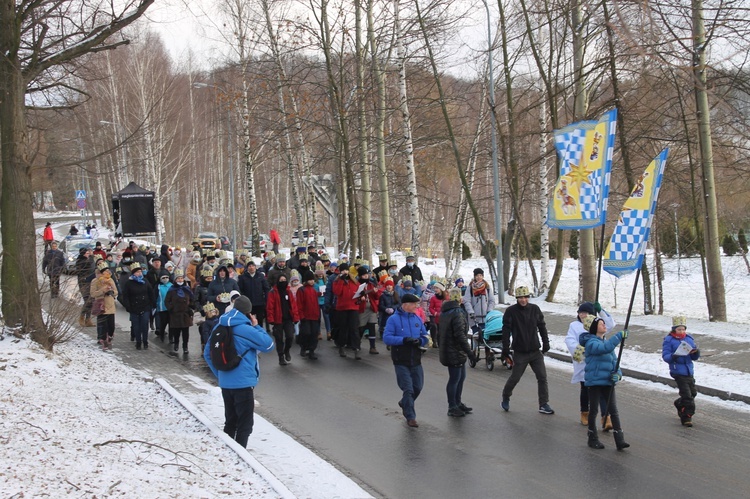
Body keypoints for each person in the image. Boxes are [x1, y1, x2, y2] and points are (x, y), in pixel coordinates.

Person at [204, 296, 275, 448]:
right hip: (243, 383)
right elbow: (268, 345)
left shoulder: (219, 326)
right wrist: (256, 326)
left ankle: (228, 452)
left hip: (226, 384)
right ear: (248, 312)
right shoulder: (246, 329)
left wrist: (221, 374)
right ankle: (240, 453)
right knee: (245, 423)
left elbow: (207, 354)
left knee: (230, 421)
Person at [500, 286, 554, 414]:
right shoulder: (511, 311)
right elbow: (506, 331)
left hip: (535, 351)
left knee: (542, 377)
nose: (523, 300)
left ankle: (544, 404)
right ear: (517, 299)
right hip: (520, 352)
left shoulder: (534, 309)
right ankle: (506, 396)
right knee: (515, 377)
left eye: (525, 297)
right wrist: (505, 348)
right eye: (520, 298)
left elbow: (542, 326)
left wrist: (545, 342)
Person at [579, 316, 630, 450]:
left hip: (608, 381)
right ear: (594, 328)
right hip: (594, 381)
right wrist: (619, 336)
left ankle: (620, 439)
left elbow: (615, 362)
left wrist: (617, 375)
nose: (604, 325)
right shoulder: (591, 343)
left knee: (613, 410)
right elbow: (603, 348)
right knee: (594, 410)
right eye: (601, 324)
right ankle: (592, 438)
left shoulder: (606, 342)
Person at [565, 301, 616, 427]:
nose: (583, 315)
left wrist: (601, 310)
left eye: (586, 313)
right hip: (584, 362)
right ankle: (585, 412)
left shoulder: (597, 324)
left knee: (603, 391)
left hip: (600, 362)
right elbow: (570, 340)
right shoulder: (574, 325)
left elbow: (610, 324)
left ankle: (606, 417)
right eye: (580, 312)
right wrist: (584, 352)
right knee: (586, 390)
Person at [383, 293, 430, 428]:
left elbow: (425, 336)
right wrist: (404, 340)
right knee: (408, 389)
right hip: (400, 358)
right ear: (406, 305)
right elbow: (387, 338)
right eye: (414, 304)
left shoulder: (417, 318)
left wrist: (420, 340)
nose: (417, 306)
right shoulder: (393, 319)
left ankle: (405, 402)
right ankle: (411, 416)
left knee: (418, 386)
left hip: (415, 358)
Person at [439, 287, 476, 417]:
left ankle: (457, 402)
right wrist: (470, 352)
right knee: (455, 379)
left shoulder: (445, 311)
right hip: (454, 351)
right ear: (460, 299)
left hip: (450, 349)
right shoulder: (458, 312)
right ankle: (452, 406)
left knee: (460, 378)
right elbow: (460, 335)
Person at [662, 315, 701, 427]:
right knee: (687, 396)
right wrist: (674, 356)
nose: (681, 331)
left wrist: (696, 353)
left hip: (689, 370)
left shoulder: (689, 338)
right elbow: (666, 356)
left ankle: (679, 403)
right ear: (674, 329)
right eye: (679, 329)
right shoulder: (669, 340)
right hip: (678, 371)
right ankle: (686, 417)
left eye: (683, 329)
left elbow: (694, 357)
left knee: (693, 393)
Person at [120, 263, 155, 350]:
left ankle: (145, 341)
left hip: (145, 306)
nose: (139, 273)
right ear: (133, 273)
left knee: (144, 324)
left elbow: (151, 293)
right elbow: (125, 296)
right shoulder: (129, 283)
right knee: (136, 325)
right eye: (137, 272)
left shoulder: (145, 281)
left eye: (140, 271)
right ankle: (138, 342)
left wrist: (152, 304)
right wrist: (128, 306)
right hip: (134, 307)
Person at [266, 275, 299, 365]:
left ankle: (287, 350)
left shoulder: (288, 291)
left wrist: (296, 317)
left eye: (284, 280)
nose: (283, 281)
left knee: (290, 336)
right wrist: (271, 319)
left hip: (288, 318)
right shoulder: (273, 292)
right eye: (281, 280)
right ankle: (281, 356)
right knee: (279, 339)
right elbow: (270, 307)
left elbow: (293, 305)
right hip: (278, 320)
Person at [332, 265, 361, 358]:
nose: (345, 272)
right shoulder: (337, 281)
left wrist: (362, 294)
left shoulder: (354, 281)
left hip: (353, 307)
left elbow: (359, 289)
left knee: (354, 329)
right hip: (342, 308)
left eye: (346, 270)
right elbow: (337, 292)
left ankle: (356, 348)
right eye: (343, 270)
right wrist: (341, 280)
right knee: (343, 328)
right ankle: (341, 346)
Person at [165, 270, 195, 355]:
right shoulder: (171, 290)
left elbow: (192, 299)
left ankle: (185, 346)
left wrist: (191, 307)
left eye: (181, 278)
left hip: (185, 313)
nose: (180, 280)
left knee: (186, 332)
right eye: (178, 278)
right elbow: (167, 301)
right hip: (176, 313)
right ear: (175, 280)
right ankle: (176, 343)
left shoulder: (187, 289)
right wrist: (171, 308)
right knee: (176, 331)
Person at [90, 261, 118, 350]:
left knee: (111, 326)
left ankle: (109, 337)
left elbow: (116, 291)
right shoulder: (95, 281)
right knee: (103, 326)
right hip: (101, 305)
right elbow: (93, 294)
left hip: (110, 305)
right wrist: (103, 290)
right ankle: (104, 341)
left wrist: (111, 292)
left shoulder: (110, 280)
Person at [238, 260, 270, 329]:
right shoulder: (243, 277)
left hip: (259, 302)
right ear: (247, 268)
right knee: (248, 320)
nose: (251, 267)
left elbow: (266, 288)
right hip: (248, 303)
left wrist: (266, 298)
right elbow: (240, 290)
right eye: (249, 266)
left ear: (255, 267)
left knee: (260, 320)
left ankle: (259, 332)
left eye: (253, 266)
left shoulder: (260, 276)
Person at [297, 269, 321, 359]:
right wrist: (301, 315)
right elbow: (299, 304)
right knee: (306, 333)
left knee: (314, 334)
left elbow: (316, 303)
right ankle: (303, 347)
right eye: (310, 280)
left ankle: (312, 350)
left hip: (315, 316)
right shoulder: (301, 290)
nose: (312, 281)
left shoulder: (314, 290)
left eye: (313, 279)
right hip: (306, 316)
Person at [74, 247, 95, 327]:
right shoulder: (81, 261)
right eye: (87, 253)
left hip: (90, 282)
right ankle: (82, 317)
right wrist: (92, 257)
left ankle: (88, 319)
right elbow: (89, 267)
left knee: (91, 300)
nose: (88, 254)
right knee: (87, 300)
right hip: (84, 283)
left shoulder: (88, 260)